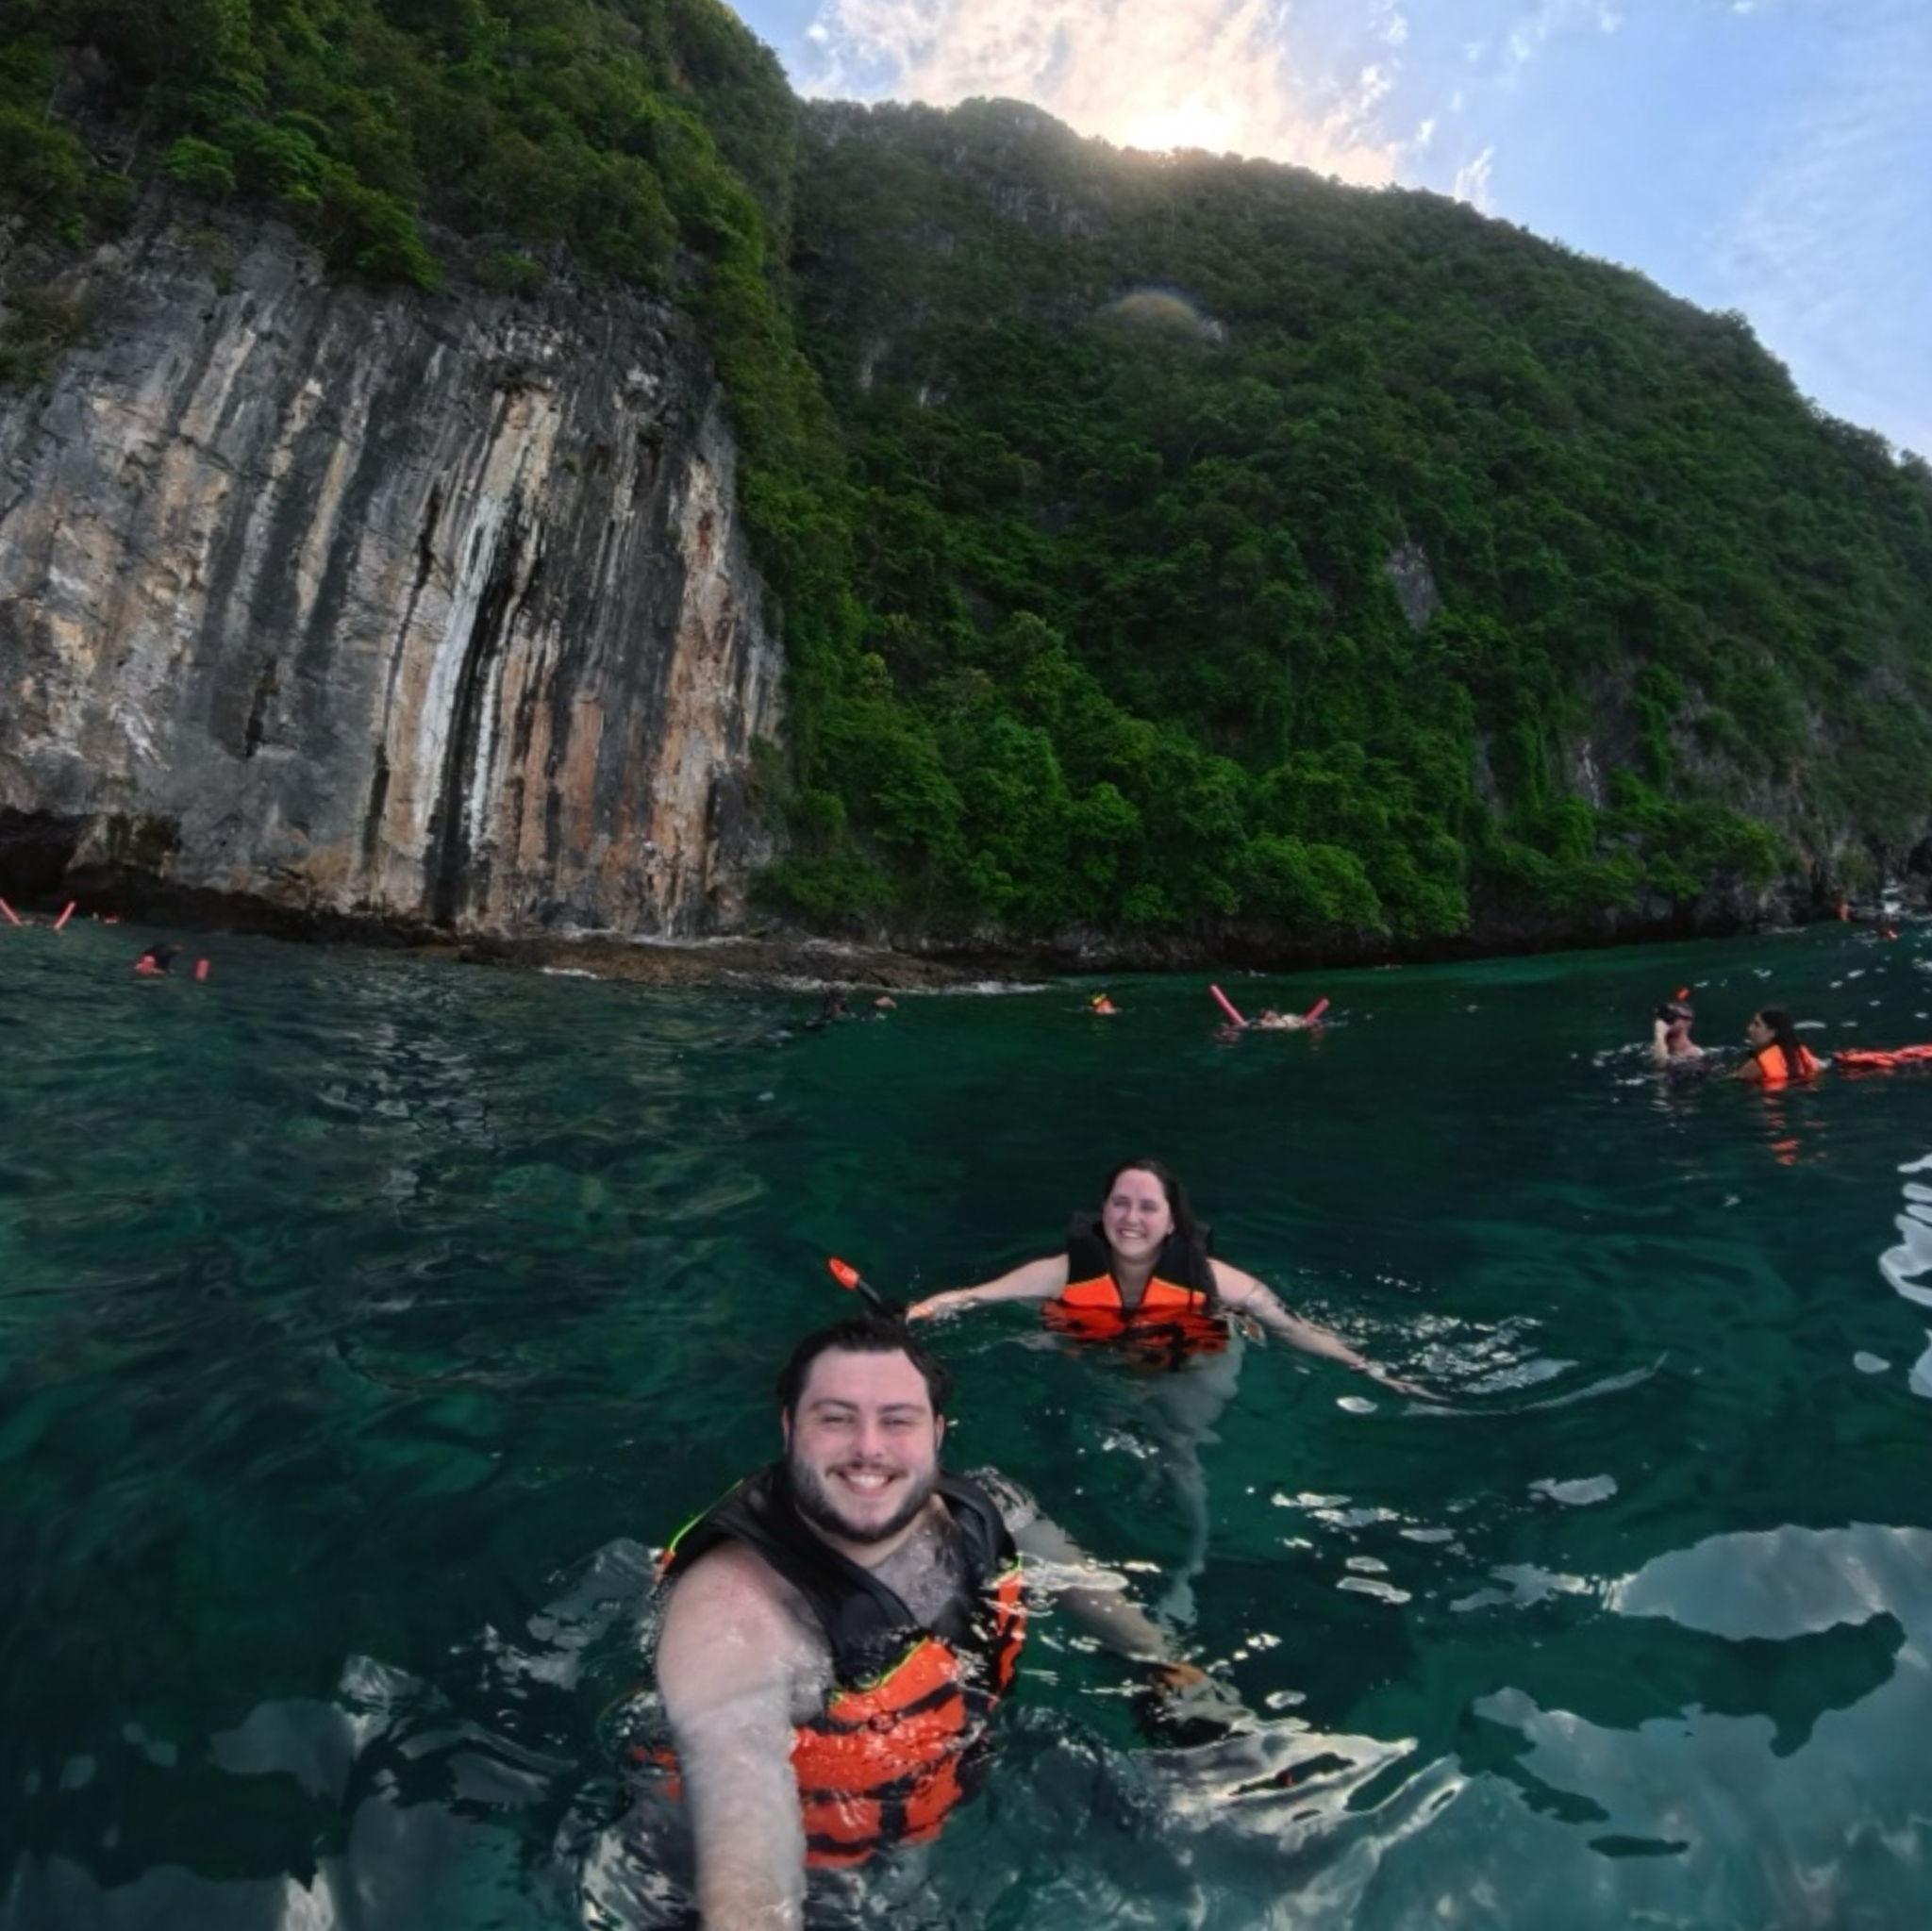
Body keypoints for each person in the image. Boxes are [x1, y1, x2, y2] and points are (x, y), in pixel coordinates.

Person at [650, 1314, 1218, 1926]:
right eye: (836, 1418)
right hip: (747, 1889)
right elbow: (745, 1860)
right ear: (789, 1428)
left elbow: (1084, 1586)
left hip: (939, 1823)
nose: (869, 1448)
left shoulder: (987, 1508)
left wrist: (1168, 1666)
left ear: (936, 1434)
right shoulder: (736, 1618)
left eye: (898, 1420)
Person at [908, 1158, 1413, 1392]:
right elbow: (972, 1297)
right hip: (1099, 1364)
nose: (1131, 1218)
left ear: (1172, 1222)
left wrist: (1368, 1368)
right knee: (1039, 1348)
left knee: (1184, 1441)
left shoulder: (1214, 1280)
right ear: (1103, 1211)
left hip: (1184, 1365)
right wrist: (916, 1313)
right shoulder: (1061, 1273)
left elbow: (1291, 1327)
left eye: (1147, 1207)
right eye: (1120, 1203)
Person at [1736, 1007, 1824, 1085]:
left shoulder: (1757, 1065)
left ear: (1772, 1032)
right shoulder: (1802, 1054)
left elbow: (1734, 1079)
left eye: (1757, 1025)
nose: (1750, 1029)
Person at [1650, 992, 1702, 1066]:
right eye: (1662, 1017)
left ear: (1687, 1022)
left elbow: (1661, 1065)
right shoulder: (1657, 1046)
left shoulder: (1694, 1054)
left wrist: (1660, 1035)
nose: (1664, 1021)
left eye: (1671, 1016)